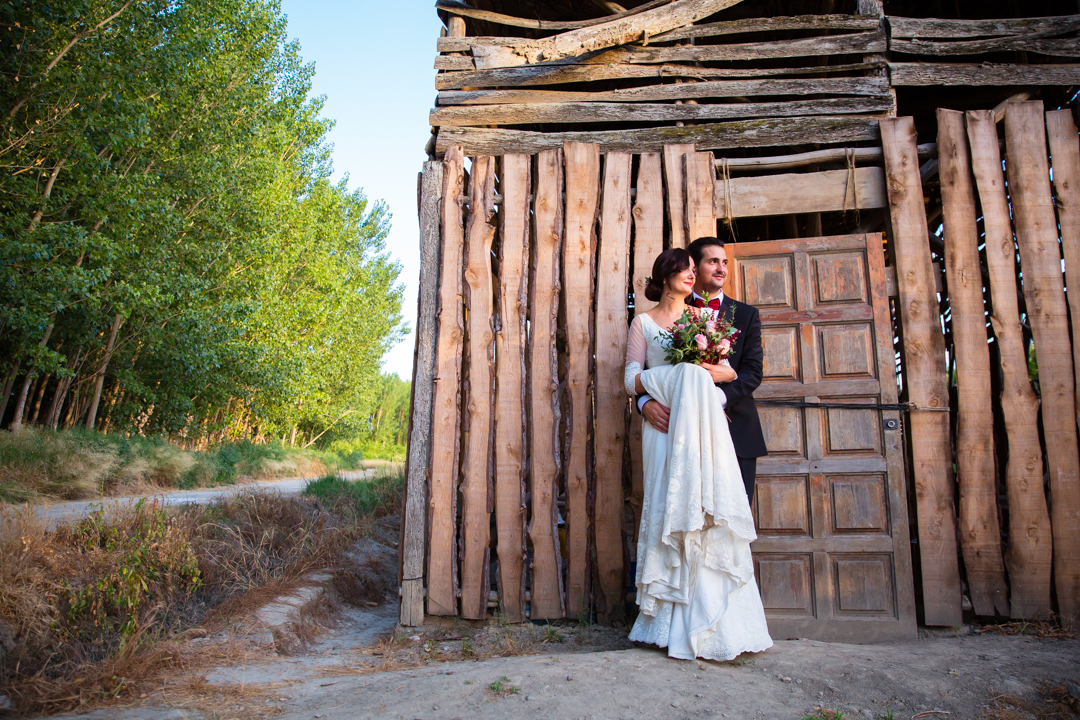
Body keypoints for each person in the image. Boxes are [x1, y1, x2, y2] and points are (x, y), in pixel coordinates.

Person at [624, 247, 772, 661]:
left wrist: (692, 375)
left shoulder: (703, 320)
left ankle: (716, 624)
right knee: (667, 507)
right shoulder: (643, 322)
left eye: (694, 270)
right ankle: (666, 623)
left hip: (706, 431)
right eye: (686, 270)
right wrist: (653, 392)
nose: (693, 276)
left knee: (706, 516)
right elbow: (630, 377)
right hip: (665, 429)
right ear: (665, 274)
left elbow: (723, 374)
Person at [638, 236, 767, 500]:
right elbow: (650, 366)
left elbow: (752, 372)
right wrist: (644, 402)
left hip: (736, 429)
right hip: (681, 432)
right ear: (693, 269)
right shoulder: (669, 312)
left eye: (724, 262)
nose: (722, 268)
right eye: (713, 262)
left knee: (733, 523)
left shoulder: (746, 314)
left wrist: (717, 398)